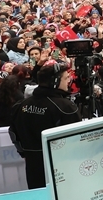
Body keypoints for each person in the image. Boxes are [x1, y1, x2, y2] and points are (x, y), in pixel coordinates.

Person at [8, 61, 81, 189]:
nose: (69, 81)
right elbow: (77, 140)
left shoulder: (22, 105)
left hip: (32, 164)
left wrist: (24, 153)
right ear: (55, 81)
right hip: (61, 167)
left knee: (37, 199)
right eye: (66, 78)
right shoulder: (65, 107)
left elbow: (13, 133)